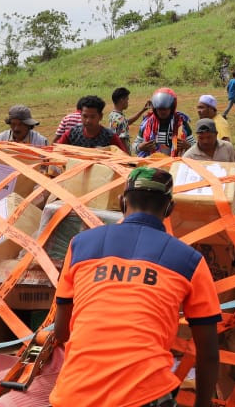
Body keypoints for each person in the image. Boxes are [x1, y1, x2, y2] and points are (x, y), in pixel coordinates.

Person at [50, 167, 221, 407]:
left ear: (121, 202)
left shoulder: (80, 245)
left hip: (73, 395)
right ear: (169, 208)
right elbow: (209, 353)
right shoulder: (190, 261)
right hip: (145, 396)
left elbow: (61, 332)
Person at [135, 89, 194, 157]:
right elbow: (134, 147)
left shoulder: (181, 124)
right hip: (151, 164)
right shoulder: (146, 124)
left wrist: (188, 146)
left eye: (165, 109)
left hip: (175, 165)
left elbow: (196, 147)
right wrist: (140, 147)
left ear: (171, 108)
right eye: (159, 109)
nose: (162, 112)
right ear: (155, 108)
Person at [56, 95, 125, 152]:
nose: (88, 120)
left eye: (92, 117)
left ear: (100, 116)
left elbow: (124, 159)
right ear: (80, 115)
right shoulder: (72, 134)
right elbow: (56, 151)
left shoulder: (110, 137)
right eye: (85, 116)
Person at [108, 88, 150, 153]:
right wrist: (127, 157)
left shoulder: (113, 115)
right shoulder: (120, 119)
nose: (128, 102)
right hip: (122, 154)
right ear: (122, 100)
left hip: (115, 152)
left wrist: (143, 110)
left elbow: (127, 122)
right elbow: (122, 139)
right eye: (127, 99)